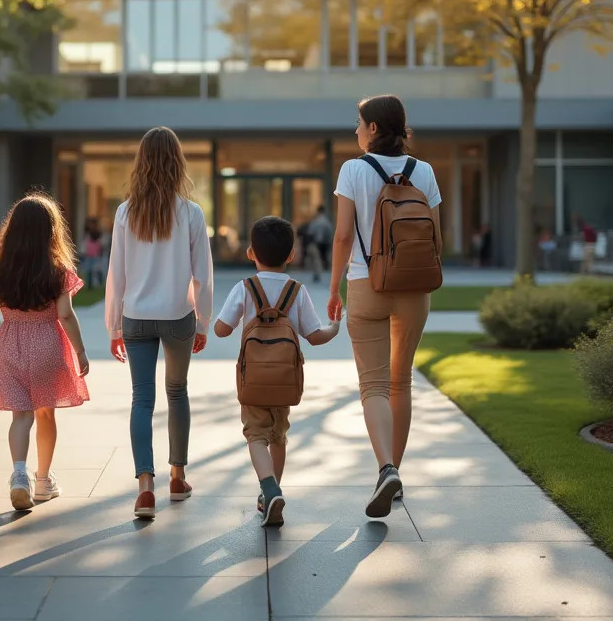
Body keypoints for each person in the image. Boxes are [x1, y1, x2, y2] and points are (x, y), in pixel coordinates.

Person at [327, 94, 442, 519]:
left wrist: (335, 288)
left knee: (373, 386)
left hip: (366, 283)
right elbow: (436, 238)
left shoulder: (353, 170)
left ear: (374, 128)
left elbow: (342, 236)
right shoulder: (424, 171)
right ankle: (393, 477)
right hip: (415, 289)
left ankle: (386, 468)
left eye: (358, 122)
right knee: (401, 381)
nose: (355, 129)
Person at [105, 127, 214, 520]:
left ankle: (145, 488)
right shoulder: (191, 213)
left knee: (142, 399)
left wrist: (113, 326)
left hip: (135, 317)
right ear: (177, 163)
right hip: (177, 317)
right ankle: (177, 477)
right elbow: (203, 275)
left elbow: (116, 275)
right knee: (177, 392)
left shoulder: (125, 212)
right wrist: (203, 321)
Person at [0, 194, 91, 512]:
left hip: (10, 348)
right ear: (51, 232)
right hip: (47, 346)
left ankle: (19, 473)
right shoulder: (57, 270)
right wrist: (80, 352)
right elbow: (65, 315)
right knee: (45, 413)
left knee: (20, 416)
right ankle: (43, 480)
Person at [214, 216, 339, 527]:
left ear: (250, 253)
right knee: (278, 436)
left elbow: (221, 330)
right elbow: (314, 335)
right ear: (291, 255)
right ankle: (273, 491)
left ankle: (269, 489)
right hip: (284, 381)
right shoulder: (297, 290)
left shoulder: (245, 288)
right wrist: (335, 328)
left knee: (255, 434)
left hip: (253, 379)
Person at [306, 205, 334, 282]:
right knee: (327, 258)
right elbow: (330, 233)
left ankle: (317, 274)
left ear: (318, 211)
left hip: (317, 242)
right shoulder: (327, 222)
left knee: (316, 259)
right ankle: (331, 274)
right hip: (326, 243)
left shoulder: (315, 221)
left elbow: (310, 232)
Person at [81, 218, 107, 288]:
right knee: (89, 269)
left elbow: (100, 242)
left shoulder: (97, 232)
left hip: (96, 253)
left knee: (96, 269)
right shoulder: (87, 231)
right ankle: (90, 285)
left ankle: (100, 280)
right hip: (90, 253)